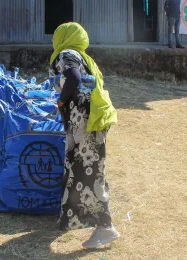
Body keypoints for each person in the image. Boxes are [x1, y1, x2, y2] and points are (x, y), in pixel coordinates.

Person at [49, 22, 120, 249]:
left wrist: (61, 100)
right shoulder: (83, 56)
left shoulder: (66, 54)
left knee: (89, 173)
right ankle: (72, 219)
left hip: (84, 125)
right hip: (92, 121)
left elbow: (74, 78)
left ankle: (105, 226)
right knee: (80, 171)